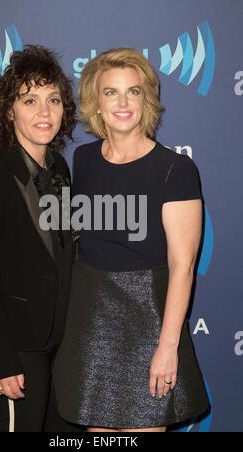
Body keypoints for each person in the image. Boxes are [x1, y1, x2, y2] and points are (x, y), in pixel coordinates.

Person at [54, 48, 210, 433]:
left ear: (147, 100)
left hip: (148, 323)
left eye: (133, 92)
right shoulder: (84, 160)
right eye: (111, 92)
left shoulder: (175, 170)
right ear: (96, 102)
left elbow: (182, 266)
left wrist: (167, 346)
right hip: (92, 320)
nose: (123, 103)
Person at [0, 45, 79, 432]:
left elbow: (60, 255)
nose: (44, 113)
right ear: (9, 110)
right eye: (30, 100)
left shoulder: (60, 169)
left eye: (53, 100)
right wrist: (1, 361)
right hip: (13, 349)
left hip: (56, 348)